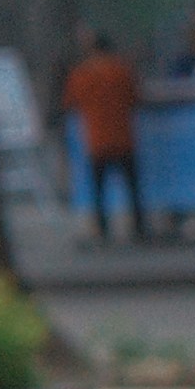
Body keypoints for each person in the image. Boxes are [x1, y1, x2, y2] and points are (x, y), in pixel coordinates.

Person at [61, 30, 145, 244]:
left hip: (97, 139)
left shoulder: (82, 74)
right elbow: (135, 97)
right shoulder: (122, 70)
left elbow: (70, 102)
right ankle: (139, 227)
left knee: (99, 189)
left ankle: (103, 229)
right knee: (132, 186)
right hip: (123, 137)